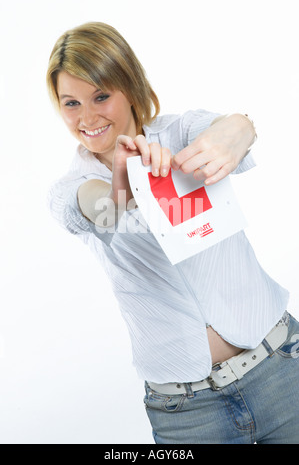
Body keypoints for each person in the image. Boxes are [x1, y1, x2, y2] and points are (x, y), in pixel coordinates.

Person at [46, 22, 299, 444]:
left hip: (281, 368)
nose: (87, 118)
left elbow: (233, 127)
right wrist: (123, 187)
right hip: (187, 413)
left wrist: (234, 134)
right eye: (71, 103)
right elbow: (100, 209)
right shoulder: (68, 190)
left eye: (101, 95)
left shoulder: (180, 134)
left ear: (129, 85)